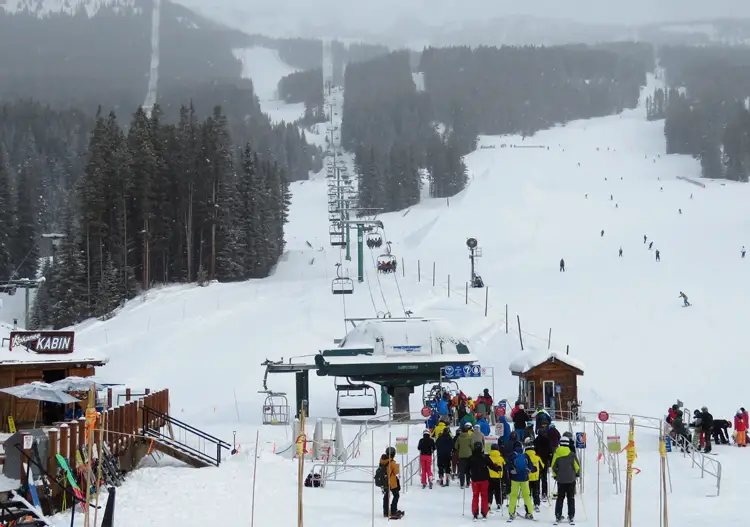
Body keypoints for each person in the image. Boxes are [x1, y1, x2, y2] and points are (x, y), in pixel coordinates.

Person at [469, 442, 501, 520]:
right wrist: (497, 469)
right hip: (484, 479)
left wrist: (466, 474)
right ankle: (484, 512)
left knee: (475, 496)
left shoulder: (471, 457)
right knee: (484, 496)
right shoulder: (485, 457)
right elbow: (491, 465)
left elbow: (467, 468)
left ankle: (475, 513)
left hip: (475, 480)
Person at [551, 437, 580, 524]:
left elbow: (553, 466)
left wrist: (556, 475)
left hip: (561, 479)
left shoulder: (556, 454)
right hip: (571, 479)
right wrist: (577, 474)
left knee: (560, 498)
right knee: (570, 498)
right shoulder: (571, 454)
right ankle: (571, 515)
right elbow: (577, 467)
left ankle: (558, 515)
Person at [507, 441, 536, 520]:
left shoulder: (511, 455)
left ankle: (512, 512)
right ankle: (529, 512)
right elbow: (531, 466)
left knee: (513, 495)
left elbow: (507, 466)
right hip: (524, 478)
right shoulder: (525, 455)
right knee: (527, 496)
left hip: (515, 478)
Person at [380, 447, 402, 519]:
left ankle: (386, 512)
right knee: (396, 495)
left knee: (386, 496)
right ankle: (393, 510)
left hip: (384, 481)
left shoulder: (382, 460)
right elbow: (396, 471)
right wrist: (397, 466)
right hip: (391, 481)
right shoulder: (391, 462)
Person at [534, 428, 553, 501]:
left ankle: (537, 491)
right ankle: (544, 492)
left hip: (537, 461)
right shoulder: (547, 440)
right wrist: (550, 460)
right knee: (544, 477)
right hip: (545, 461)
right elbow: (550, 451)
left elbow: (534, 450)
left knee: (537, 477)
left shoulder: (536, 440)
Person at [525, 443, 544, 512]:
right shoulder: (537, 457)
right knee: (535, 492)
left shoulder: (525, 457)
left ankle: (527, 504)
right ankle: (536, 504)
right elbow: (542, 466)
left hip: (526, 478)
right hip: (535, 477)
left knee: (527, 493)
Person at [456, 422, 475, 488]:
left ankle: (462, 484)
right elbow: (472, 447)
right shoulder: (470, 438)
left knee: (461, 471)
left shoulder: (459, 437)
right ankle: (468, 483)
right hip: (469, 455)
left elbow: (456, 446)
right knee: (468, 470)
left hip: (461, 456)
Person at [488, 444, 505, 511]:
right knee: (498, 491)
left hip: (490, 477)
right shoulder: (501, 458)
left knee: (490, 491)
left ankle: (489, 503)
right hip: (499, 477)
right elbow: (504, 466)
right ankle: (499, 503)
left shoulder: (489, 457)